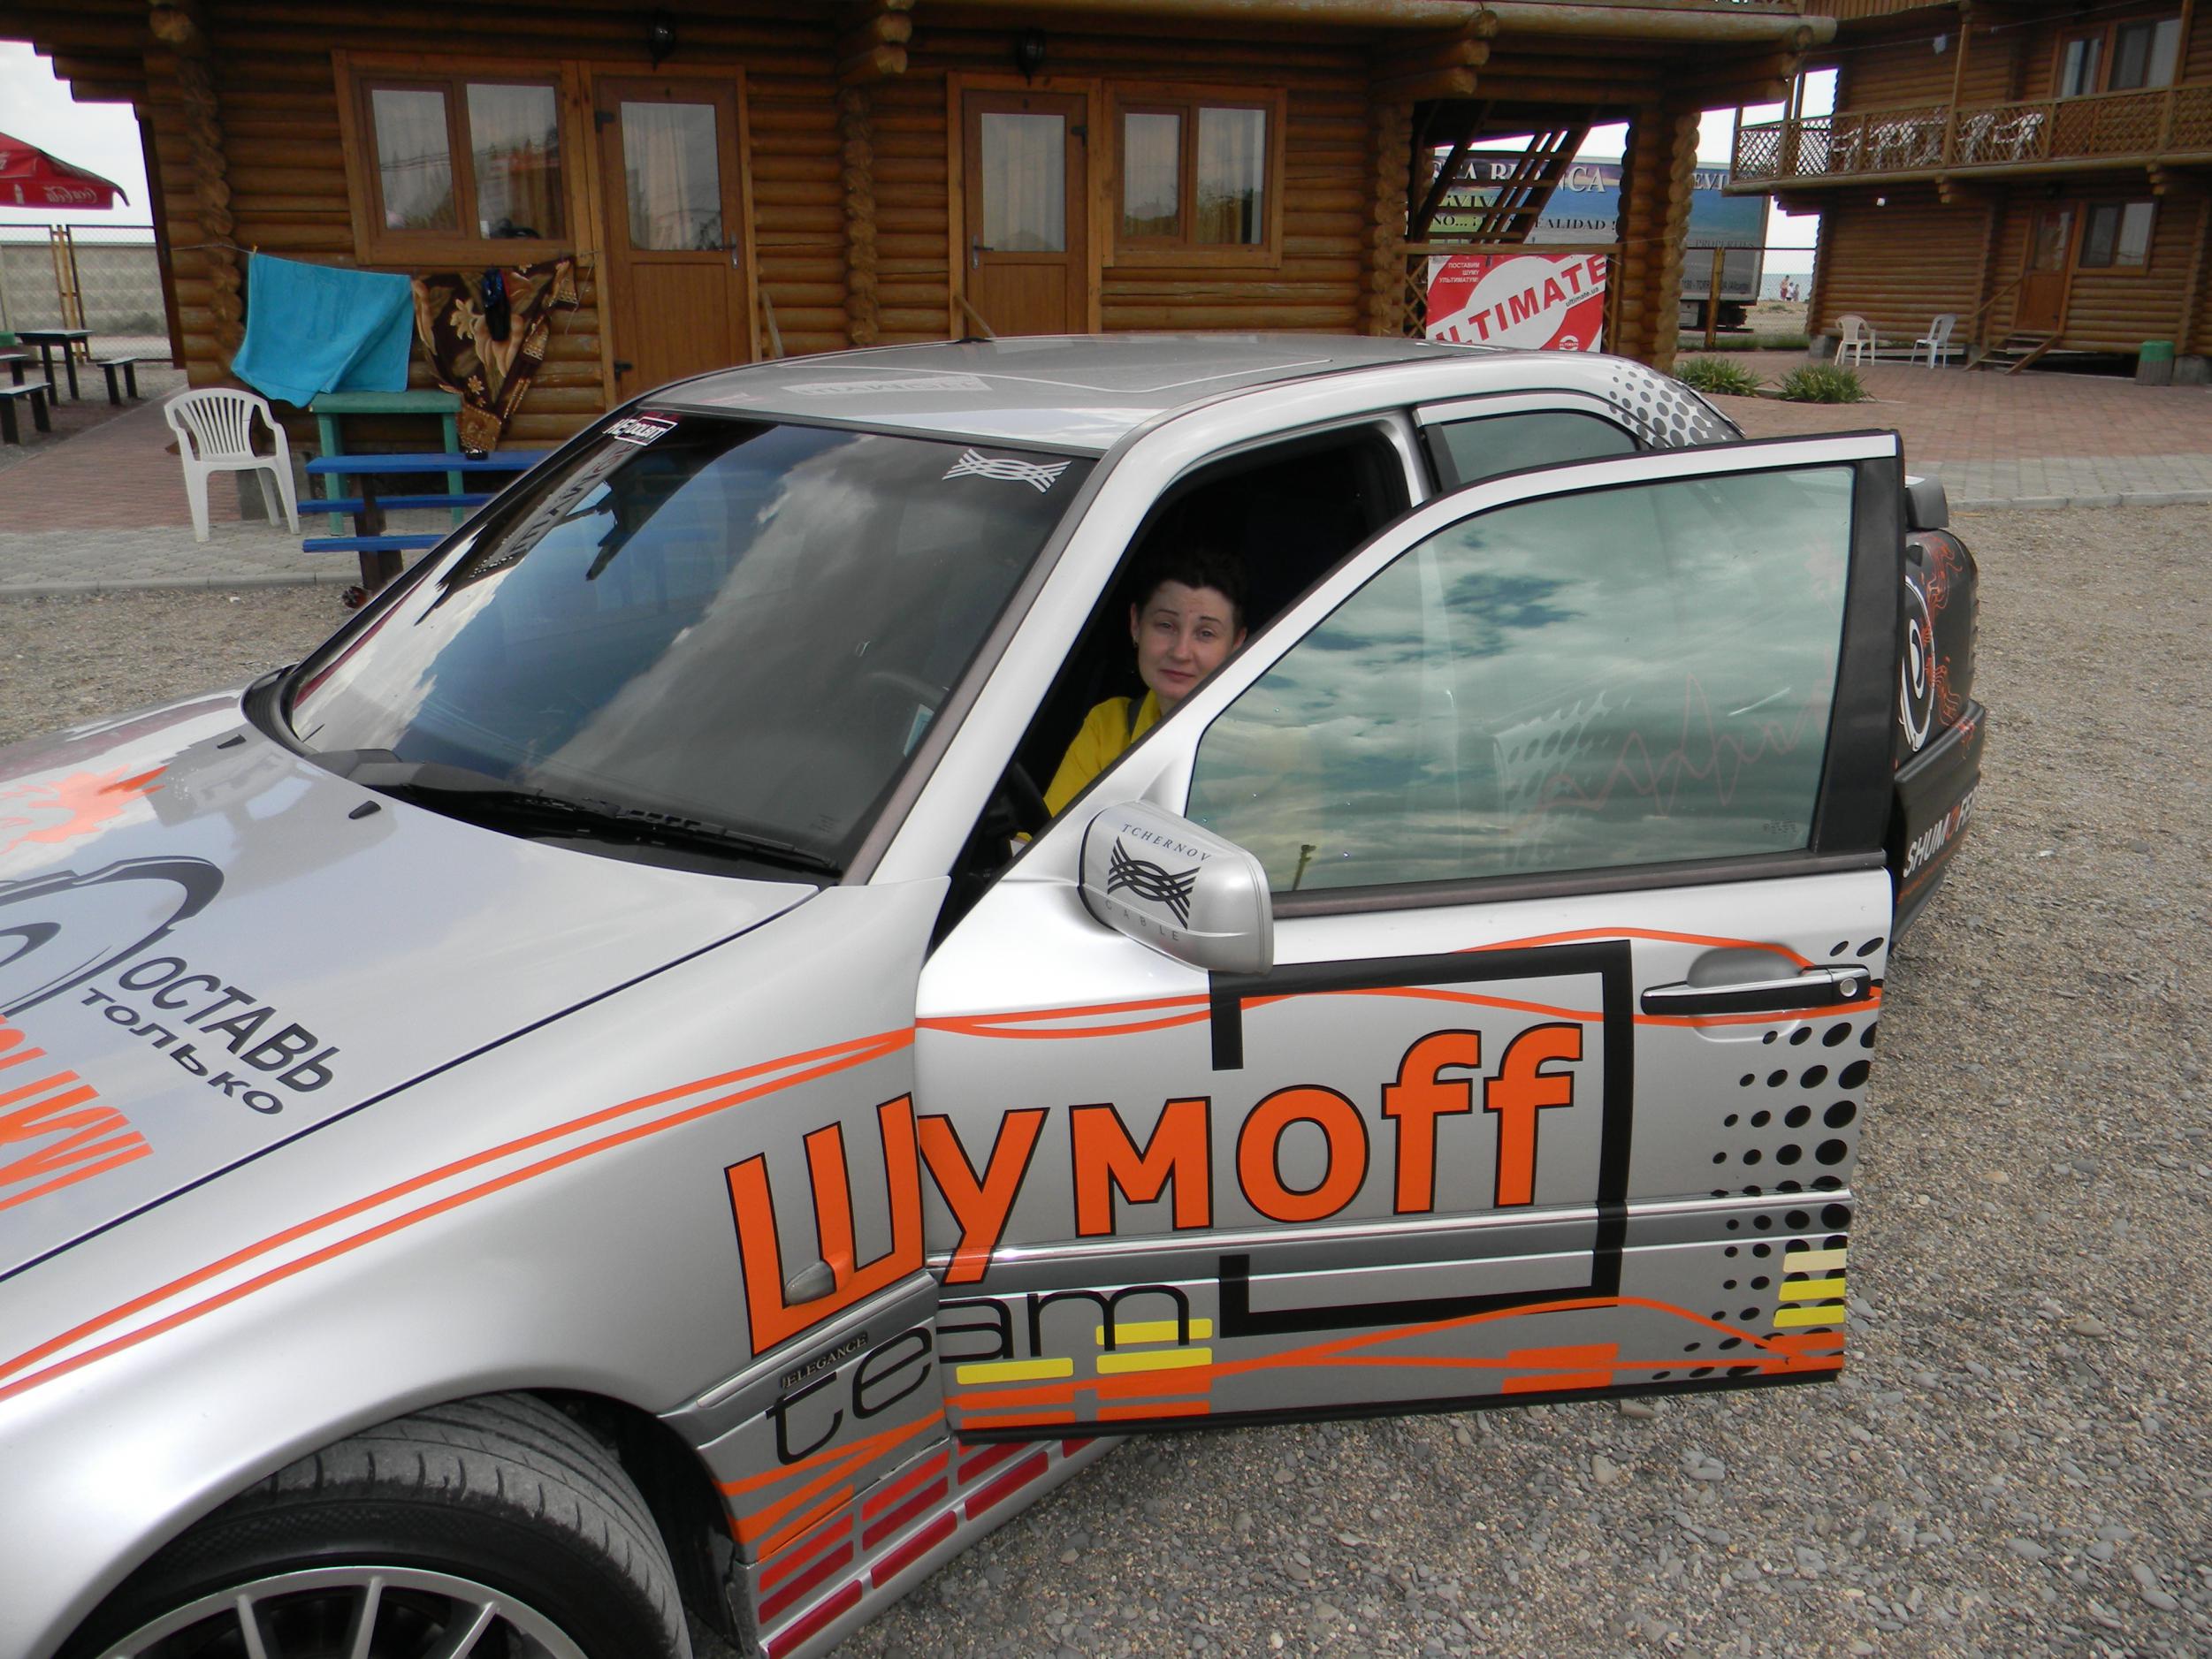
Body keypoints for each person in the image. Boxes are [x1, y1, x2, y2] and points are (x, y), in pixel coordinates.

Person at [1043, 544, 1247, 817]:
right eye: (1165, 625)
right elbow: (1044, 833)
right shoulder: (1109, 724)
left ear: (1236, 644)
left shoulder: (1261, 747)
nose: (1180, 652)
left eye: (1206, 633)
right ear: (1136, 625)